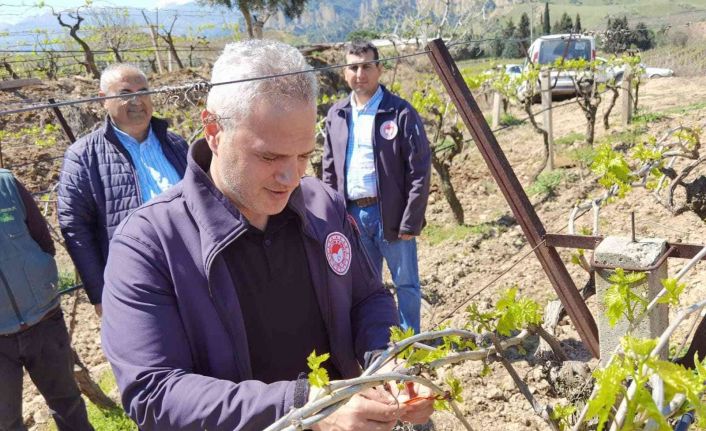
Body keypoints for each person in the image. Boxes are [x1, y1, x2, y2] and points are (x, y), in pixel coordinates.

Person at [101, 39, 433, 430]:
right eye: (269, 156)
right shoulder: (147, 246)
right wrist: (306, 408)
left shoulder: (321, 205)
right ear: (213, 131)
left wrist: (384, 358)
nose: (290, 177)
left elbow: (367, 296)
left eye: (304, 155)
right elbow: (155, 393)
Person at [57, 63, 188, 316]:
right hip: (136, 281)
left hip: (191, 270)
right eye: (126, 93)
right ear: (103, 99)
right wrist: (100, 293)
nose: (137, 100)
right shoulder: (83, 156)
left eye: (144, 91)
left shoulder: (177, 144)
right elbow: (75, 228)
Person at [322, 40, 431, 334]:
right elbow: (329, 171)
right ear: (345, 72)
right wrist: (333, 217)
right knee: (366, 288)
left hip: (391, 215)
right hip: (353, 218)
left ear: (379, 69)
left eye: (366, 66)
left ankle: (410, 343)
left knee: (406, 283)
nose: (360, 73)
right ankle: (379, 344)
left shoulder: (400, 113)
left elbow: (419, 171)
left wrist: (411, 219)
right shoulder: (337, 115)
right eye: (353, 67)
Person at [0, 169, 93, 431]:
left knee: (68, 404)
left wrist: (38, 274)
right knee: (6, 422)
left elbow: (43, 239)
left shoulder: (6, 184)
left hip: (44, 318)